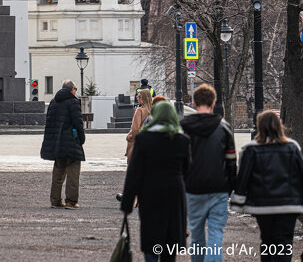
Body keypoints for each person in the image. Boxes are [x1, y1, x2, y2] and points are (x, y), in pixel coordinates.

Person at [121, 100, 191, 262]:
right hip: (175, 194)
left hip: (150, 194)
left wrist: (127, 204)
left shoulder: (144, 139)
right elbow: (188, 171)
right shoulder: (182, 140)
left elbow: (134, 174)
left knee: (151, 238)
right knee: (170, 242)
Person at [230, 110, 303, 262]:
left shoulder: (251, 149)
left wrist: (238, 201)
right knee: (284, 242)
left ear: (260, 127)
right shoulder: (292, 147)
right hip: (288, 205)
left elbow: (243, 177)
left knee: (268, 240)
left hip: (263, 205)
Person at [180, 83, 237, 262]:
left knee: (196, 235)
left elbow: (179, 162)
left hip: (192, 189)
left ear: (194, 104)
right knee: (215, 235)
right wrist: (230, 187)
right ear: (213, 104)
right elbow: (231, 162)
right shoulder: (224, 128)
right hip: (218, 188)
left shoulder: (183, 127)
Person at [40, 79, 86, 209]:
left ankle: (55, 201)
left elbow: (50, 124)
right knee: (73, 173)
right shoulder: (73, 102)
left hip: (57, 143)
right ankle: (71, 201)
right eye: (75, 90)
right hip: (71, 142)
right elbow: (78, 123)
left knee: (58, 173)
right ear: (72, 90)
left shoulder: (54, 102)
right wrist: (81, 139)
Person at [127, 88, 153, 161]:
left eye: (139, 97)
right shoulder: (154, 110)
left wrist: (130, 137)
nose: (137, 98)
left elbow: (135, 128)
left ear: (145, 98)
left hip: (139, 139)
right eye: (137, 96)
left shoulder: (139, 110)